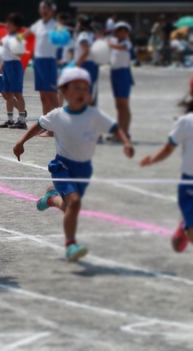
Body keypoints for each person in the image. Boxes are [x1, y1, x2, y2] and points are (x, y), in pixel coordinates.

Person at [13, 68, 133, 261]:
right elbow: (39, 124)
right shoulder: (57, 115)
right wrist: (21, 141)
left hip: (84, 169)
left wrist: (126, 142)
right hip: (63, 166)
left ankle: (51, 198)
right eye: (76, 88)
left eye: (85, 89)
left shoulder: (93, 114)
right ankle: (71, 245)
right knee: (75, 203)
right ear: (65, 92)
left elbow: (113, 127)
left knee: (70, 206)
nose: (81, 93)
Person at [140, 79, 193, 253]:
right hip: (189, 184)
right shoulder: (186, 122)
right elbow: (169, 147)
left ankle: (186, 223)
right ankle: (187, 225)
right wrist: (153, 159)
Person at [19, 0, 59, 137]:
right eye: (42, 9)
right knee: (43, 96)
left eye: (47, 9)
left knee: (52, 96)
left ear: (52, 11)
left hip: (49, 62)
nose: (44, 11)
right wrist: (15, 38)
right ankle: (46, 124)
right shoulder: (39, 24)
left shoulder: (56, 25)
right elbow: (25, 34)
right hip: (39, 62)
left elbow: (63, 40)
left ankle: (56, 128)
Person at [0, 12, 28, 130]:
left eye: (9, 23)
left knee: (17, 94)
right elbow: (1, 43)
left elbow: (20, 55)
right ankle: (10, 120)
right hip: (6, 66)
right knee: (8, 94)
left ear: (15, 25)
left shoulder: (18, 38)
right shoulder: (7, 37)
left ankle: (22, 121)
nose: (7, 25)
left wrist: (12, 49)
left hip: (14, 66)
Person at [106, 22, 134, 140]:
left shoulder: (126, 43)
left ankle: (125, 133)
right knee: (118, 106)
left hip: (123, 73)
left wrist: (106, 42)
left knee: (124, 105)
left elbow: (119, 47)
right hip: (115, 74)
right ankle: (120, 132)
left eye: (125, 31)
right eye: (120, 31)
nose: (122, 33)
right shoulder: (114, 41)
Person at [74, 14, 98, 106]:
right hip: (91, 65)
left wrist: (76, 66)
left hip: (84, 65)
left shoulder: (83, 35)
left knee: (84, 95)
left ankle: (88, 118)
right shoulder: (92, 34)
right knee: (88, 93)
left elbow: (85, 52)